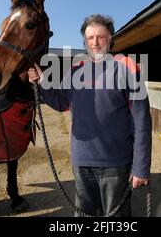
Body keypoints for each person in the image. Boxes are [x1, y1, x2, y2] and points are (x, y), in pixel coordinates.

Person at [28, 14, 152, 217]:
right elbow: (61, 101)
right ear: (84, 41)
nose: (95, 42)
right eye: (90, 37)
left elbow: (141, 120)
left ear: (110, 39)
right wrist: (42, 80)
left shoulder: (127, 66)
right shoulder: (76, 69)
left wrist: (141, 167)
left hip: (116, 163)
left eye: (100, 37)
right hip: (81, 162)